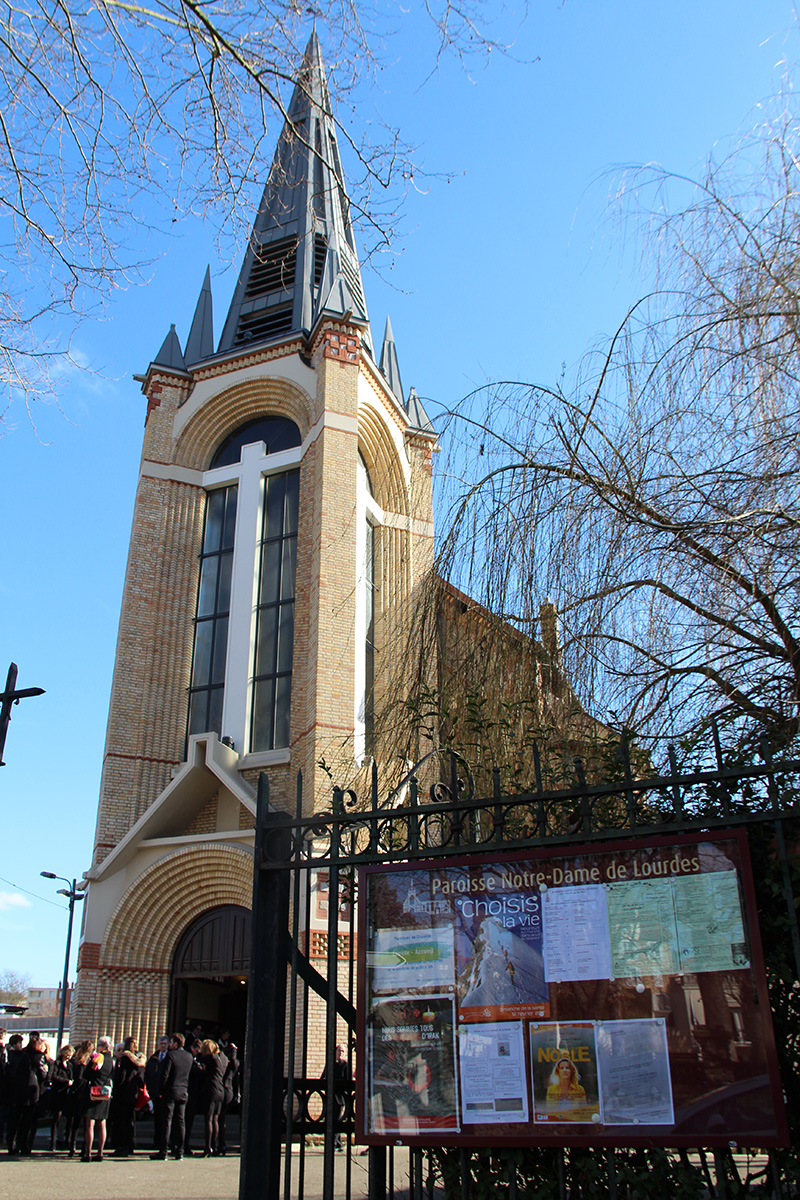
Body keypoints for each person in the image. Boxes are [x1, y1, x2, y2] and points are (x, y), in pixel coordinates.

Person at [153, 1032, 193, 1160]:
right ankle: (180, 1151)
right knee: (181, 1121)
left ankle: (163, 1150)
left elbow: (165, 1075)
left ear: (175, 1044)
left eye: (171, 1042)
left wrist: (160, 1090)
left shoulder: (171, 1056)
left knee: (167, 1121)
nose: (169, 1045)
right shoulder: (189, 1056)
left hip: (170, 1091)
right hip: (183, 1090)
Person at [10, 1034, 49, 1154]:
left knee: (16, 1118)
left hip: (19, 1090)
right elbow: (42, 1075)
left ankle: (12, 1143)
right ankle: (24, 1144)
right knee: (28, 1119)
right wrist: (46, 1072)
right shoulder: (40, 1057)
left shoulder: (23, 1055)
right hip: (32, 1090)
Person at [111, 1036, 145, 1156]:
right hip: (133, 1092)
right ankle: (130, 1145)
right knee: (131, 1120)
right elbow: (141, 1077)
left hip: (123, 1093)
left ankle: (122, 1147)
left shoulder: (126, 1058)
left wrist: (116, 1084)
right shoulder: (139, 1059)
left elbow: (122, 1076)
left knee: (122, 1120)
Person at [82, 1036, 114, 1161]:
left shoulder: (98, 1057)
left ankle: (88, 1153)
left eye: (99, 1045)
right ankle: (100, 1152)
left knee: (90, 1123)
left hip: (94, 1092)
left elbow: (87, 1074)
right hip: (105, 1093)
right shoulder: (111, 1060)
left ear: (103, 1046)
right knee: (102, 1123)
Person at [197, 1040, 228, 1156]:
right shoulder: (221, 1059)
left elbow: (199, 1058)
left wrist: (200, 1052)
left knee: (208, 1120)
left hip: (211, 1090)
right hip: (220, 1090)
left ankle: (207, 1147)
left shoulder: (211, 1058)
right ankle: (214, 1147)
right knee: (215, 1119)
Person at [321, 1044, 352, 1151]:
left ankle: (333, 1144)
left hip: (340, 1098)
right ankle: (339, 1144)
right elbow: (323, 1077)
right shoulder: (330, 1064)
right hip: (330, 1098)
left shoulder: (346, 1065)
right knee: (330, 1120)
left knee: (337, 1120)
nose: (341, 1053)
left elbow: (348, 1082)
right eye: (339, 1051)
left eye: (343, 1051)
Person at [46, 1044, 75, 1152]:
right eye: (68, 1055)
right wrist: (66, 1081)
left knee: (67, 1118)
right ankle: (53, 1142)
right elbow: (52, 1076)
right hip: (57, 1093)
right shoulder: (56, 1064)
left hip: (66, 1094)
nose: (69, 1057)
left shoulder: (70, 1065)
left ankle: (66, 1141)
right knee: (56, 1118)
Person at [144, 1035, 169, 1149]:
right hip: (155, 1092)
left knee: (165, 1119)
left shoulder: (169, 1057)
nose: (163, 1046)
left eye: (165, 1044)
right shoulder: (154, 1057)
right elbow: (149, 1073)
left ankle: (164, 1142)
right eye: (161, 1044)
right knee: (157, 1118)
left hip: (165, 1093)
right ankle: (157, 1141)